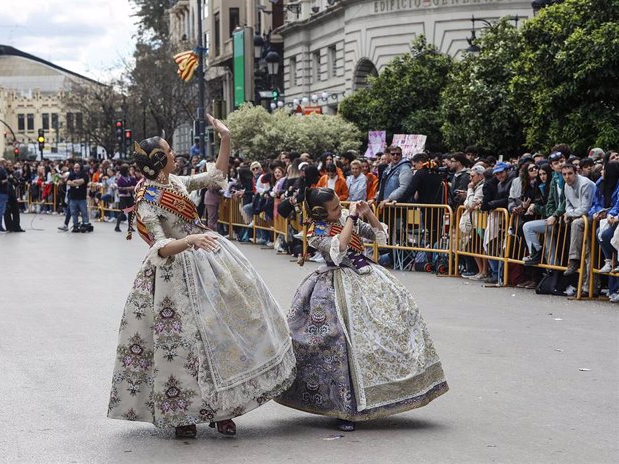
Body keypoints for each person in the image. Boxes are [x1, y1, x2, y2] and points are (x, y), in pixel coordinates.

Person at [107, 114, 295, 439]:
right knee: (182, 347)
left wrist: (225, 137)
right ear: (159, 160)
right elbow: (159, 247)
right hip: (175, 274)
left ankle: (225, 409)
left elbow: (216, 175)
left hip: (210, 261)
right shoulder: (146, 199)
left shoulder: (177, 182)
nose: (174, 155)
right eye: (168, 151)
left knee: (223, 335)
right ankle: (184, 415)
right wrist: (190, 240)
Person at [276, 188, 448, 431]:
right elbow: (340, 249)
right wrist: (350, 219)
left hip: (367, 277)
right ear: (319, 212)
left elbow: (378, 236)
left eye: (339, 204)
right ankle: (342, 407)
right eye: (334, 208)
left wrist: (368, 213)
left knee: (388, 330)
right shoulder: (316, 232)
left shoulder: (345, 217)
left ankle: (384, 396)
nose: (340, 209)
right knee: (336, 342)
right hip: (333, 285)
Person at [66, 163, 91, 233]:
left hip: (82, 198)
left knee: (84, 213)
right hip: (73, 197)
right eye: (74, 168)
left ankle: (85, 225)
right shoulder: (71, 174)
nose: (75, 169)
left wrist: (73, 182)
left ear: (80, 168)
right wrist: (77, 183)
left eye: (77, 168)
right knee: (74, 213)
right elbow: (68, 182)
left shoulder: (84, 175)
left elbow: (82, 181)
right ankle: (75, 226)